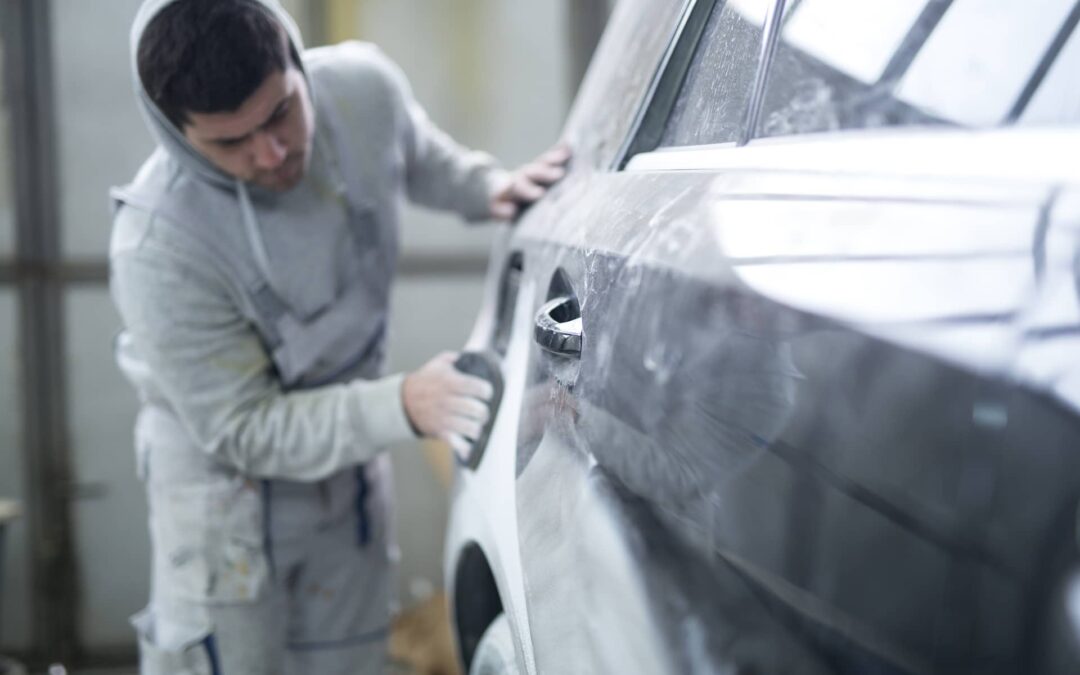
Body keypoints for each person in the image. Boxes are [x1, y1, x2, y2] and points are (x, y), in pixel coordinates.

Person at [108, 0, 568, 672]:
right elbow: (243, 426)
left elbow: (414, 153)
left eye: (280, 113)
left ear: (296, 61)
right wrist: (402, 403)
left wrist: (488, 189)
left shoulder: (361, 90)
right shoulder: (159, 246)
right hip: (228, 506)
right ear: (177, 134)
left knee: (350, 659)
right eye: (231, 143)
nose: (271, 153)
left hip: (346, 472)